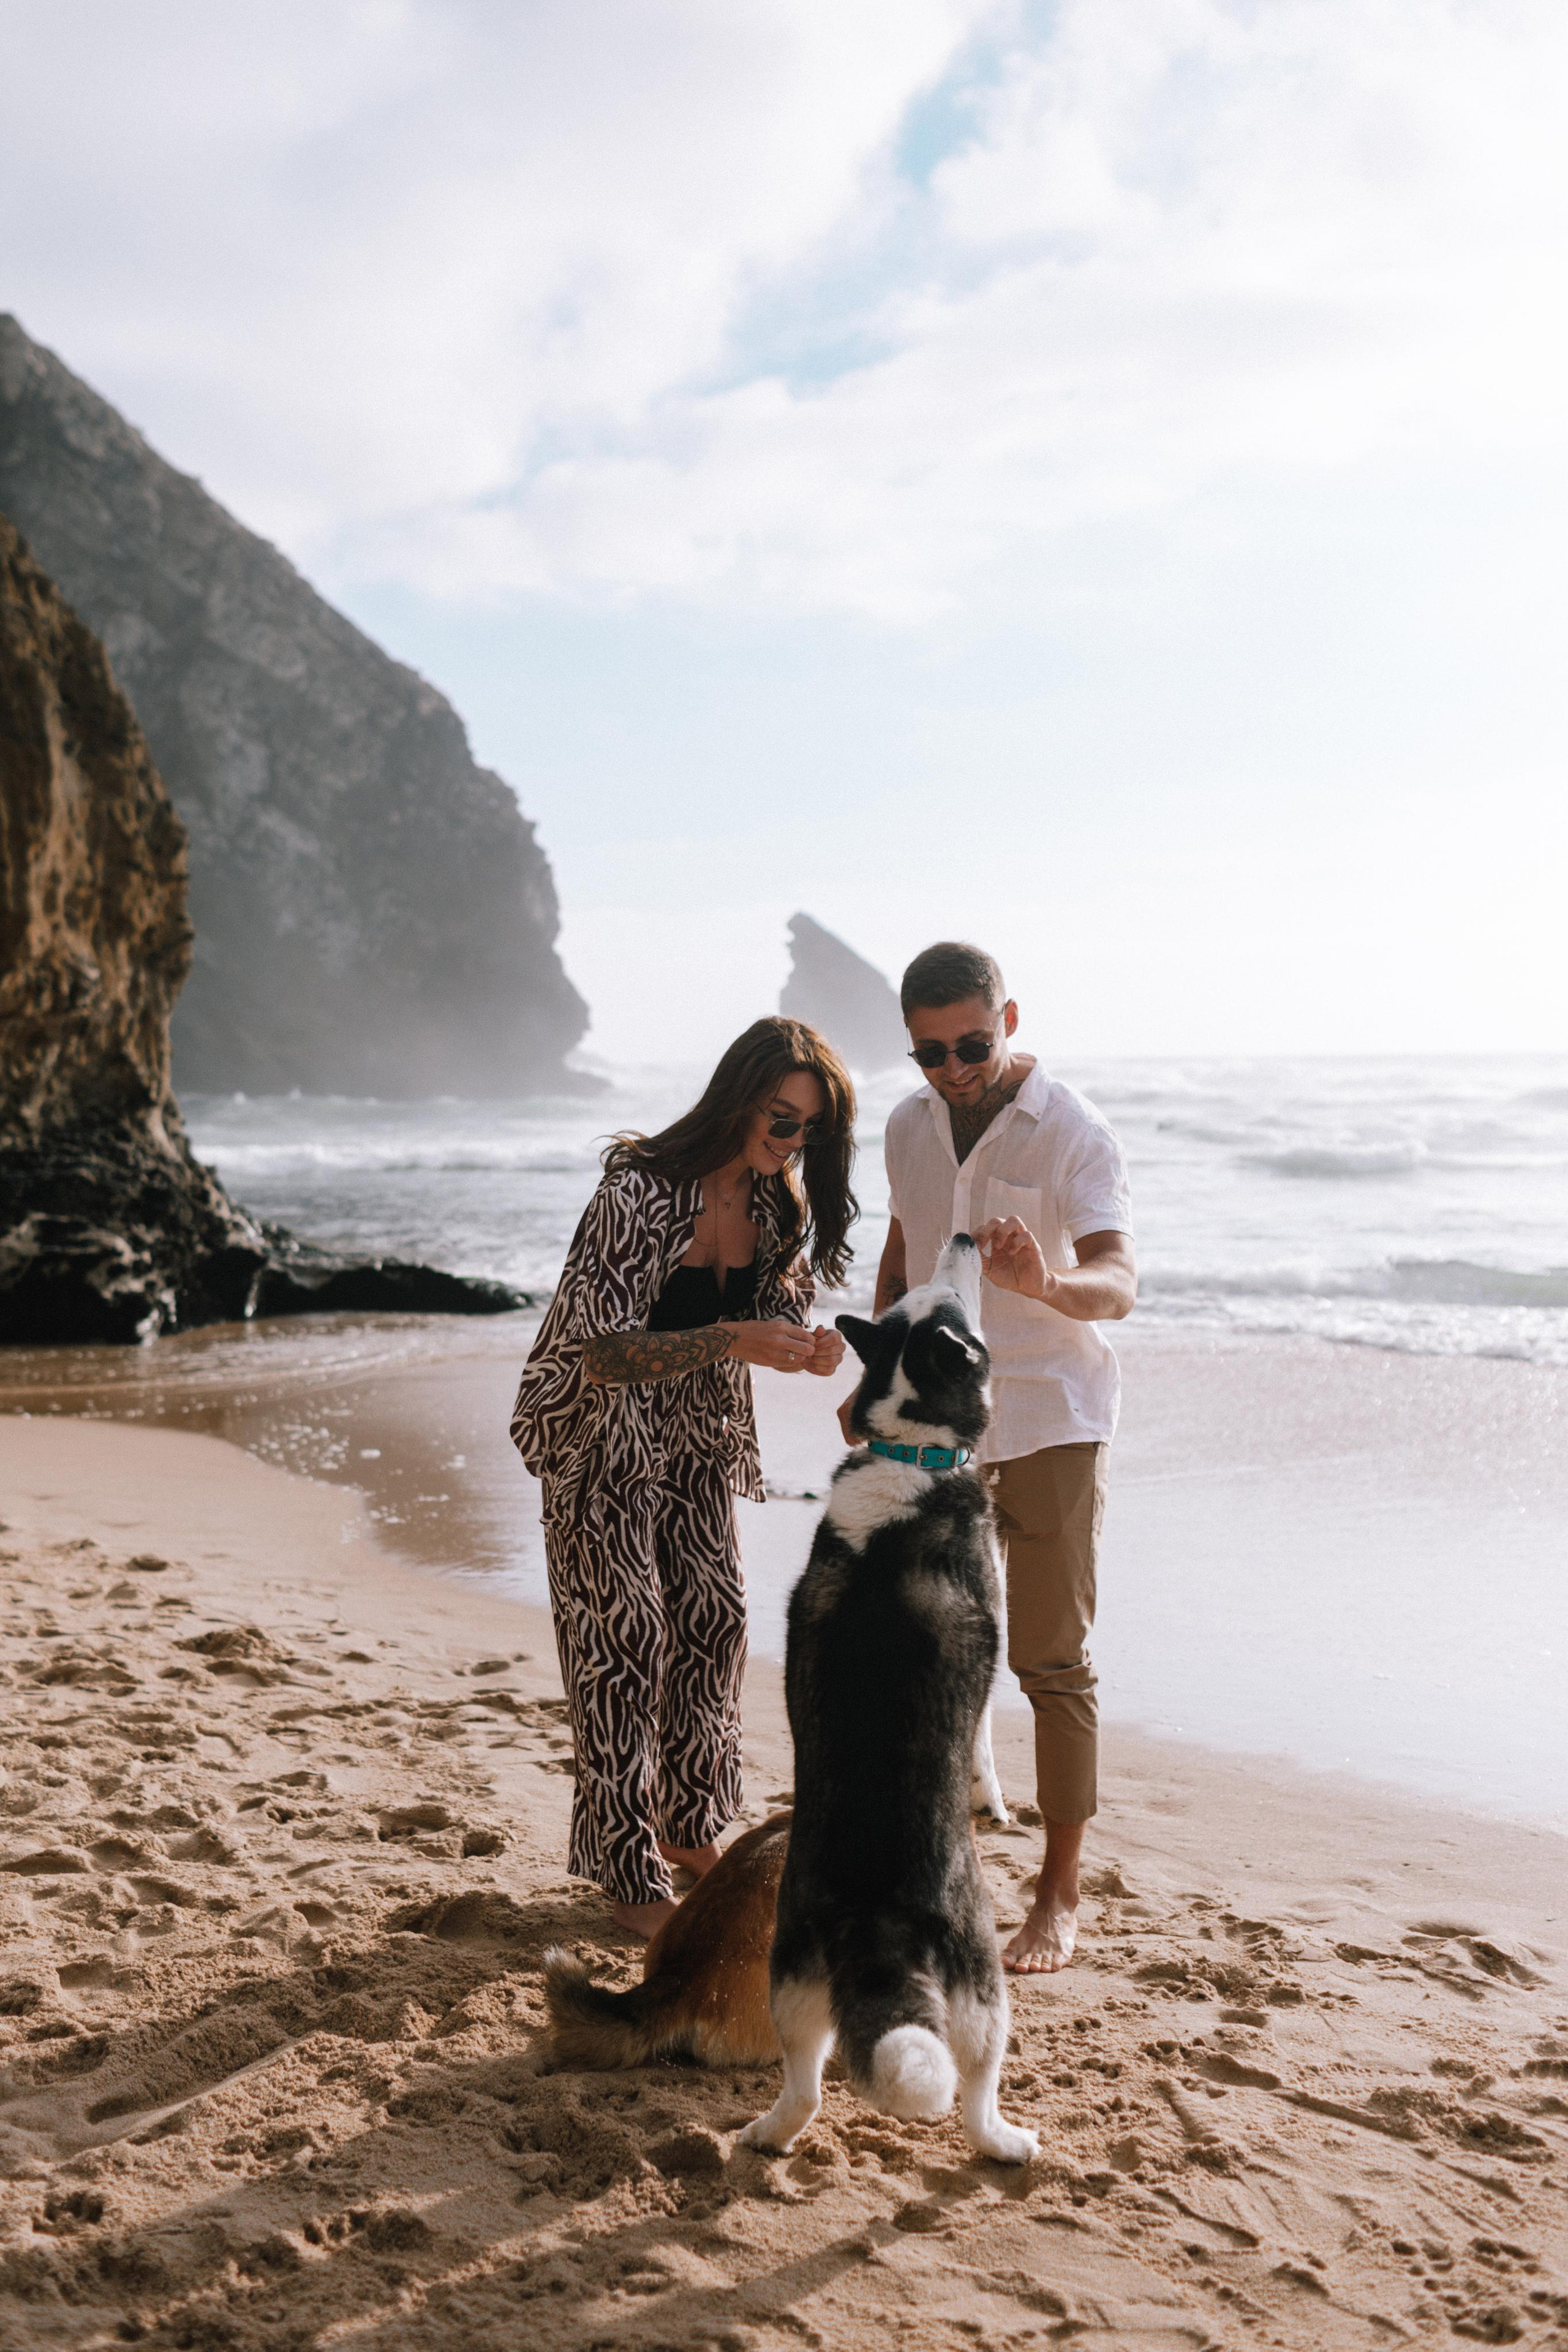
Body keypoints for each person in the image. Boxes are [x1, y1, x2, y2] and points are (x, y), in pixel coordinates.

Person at [511, 1016, 854, 1938]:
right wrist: (734, 1340)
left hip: (694, 1439)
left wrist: (801, 1344)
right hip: (596, 1431)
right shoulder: (637, 1194)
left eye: (809, 1129)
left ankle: (691, 1825)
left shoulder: (778, 1203)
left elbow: (771, 1304)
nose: (792, 1140)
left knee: (715, 1615)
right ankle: (627, 1872)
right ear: (738, 1098)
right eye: (781, 1119)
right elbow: (599, 1352)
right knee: (629, 1631)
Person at [853, 942, 1136, 1974]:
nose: (954, 1068)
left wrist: (1046, 1281)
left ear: (1009, 1021)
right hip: (936, 1420)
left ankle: (1059, 1895)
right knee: (923, 1649)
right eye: (930, 1052)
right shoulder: (905, 1126)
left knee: (1050, 1659)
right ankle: (941, 1862)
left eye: (972, 1044)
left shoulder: (1072, 1130)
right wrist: (877, 1373)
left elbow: (1120, 1282)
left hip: (1053, 1414)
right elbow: (902, 1252)